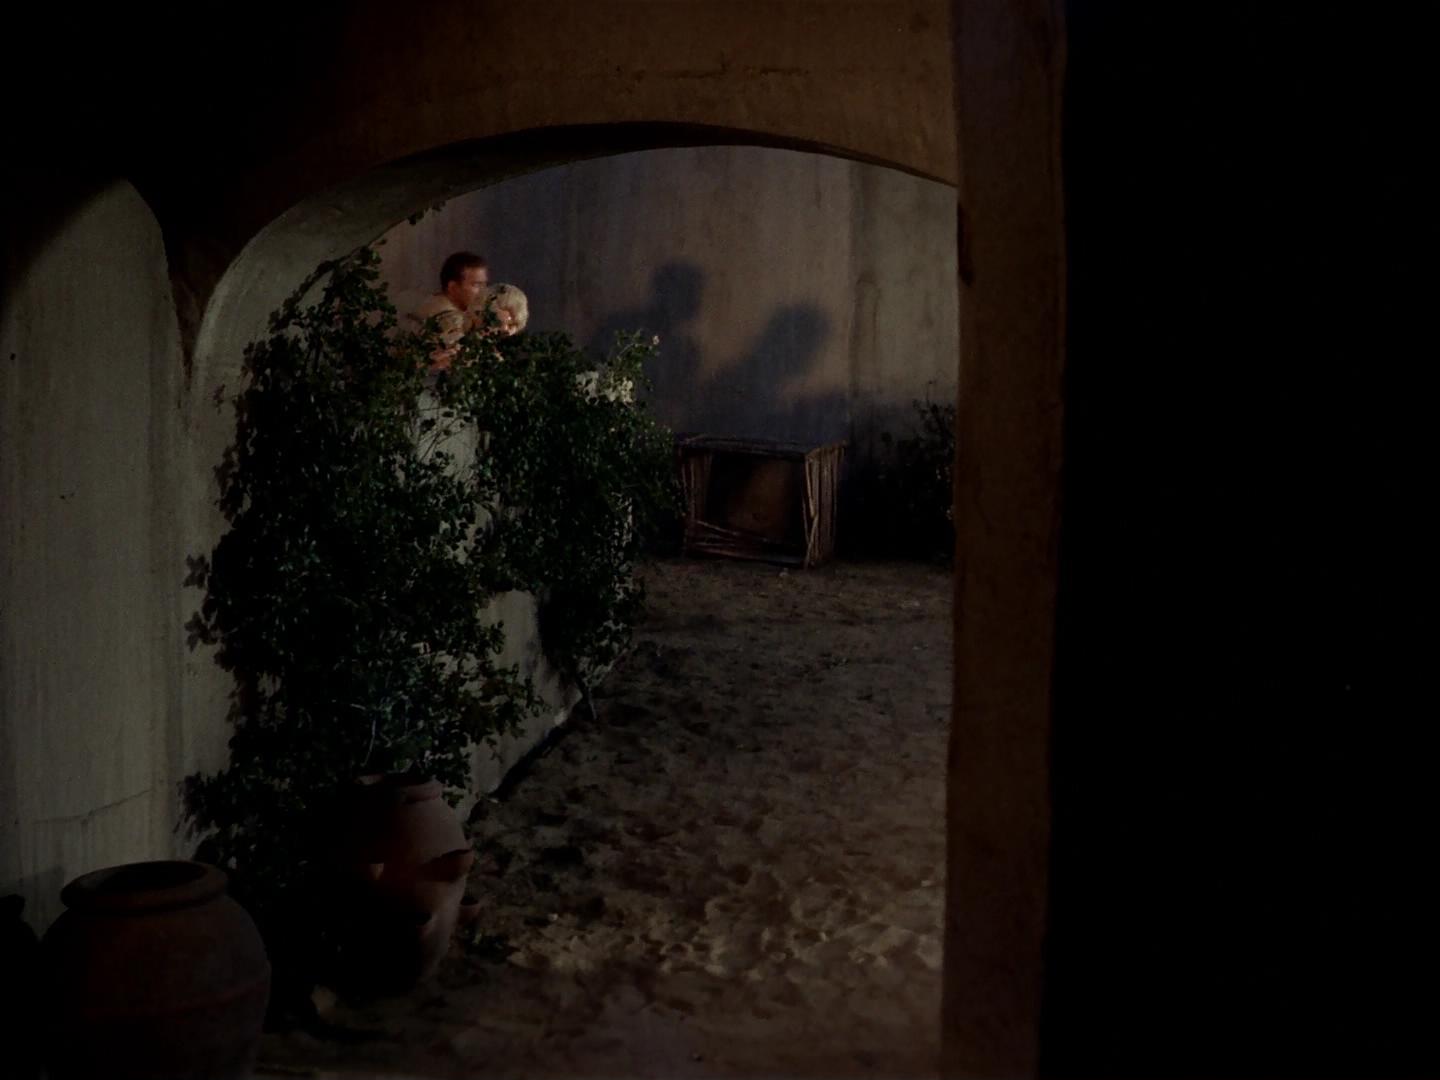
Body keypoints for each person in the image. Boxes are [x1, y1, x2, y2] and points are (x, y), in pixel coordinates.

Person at [412, 251, 490, 370]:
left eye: (484, 285)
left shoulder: (444, 306)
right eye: (476, 285)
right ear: (453, 287)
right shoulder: (445, 318)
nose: (484, 292)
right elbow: (472, 360)